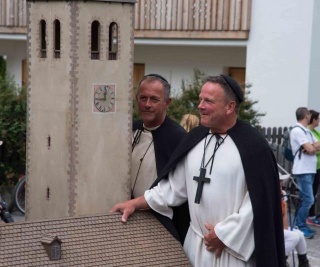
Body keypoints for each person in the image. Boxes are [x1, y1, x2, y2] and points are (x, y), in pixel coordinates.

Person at [112, 75, 285, 267]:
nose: (200, 106)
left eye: (208, 101)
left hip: (231, 251)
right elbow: (173, 188)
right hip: (194, 245)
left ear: (229, 107)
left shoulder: (254, 147)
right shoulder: (195, 139)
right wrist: (135, 203)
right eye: (200, 99)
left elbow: (259, 204)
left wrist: (224, 235)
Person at [131, 73, 188, 242]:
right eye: (143, 98)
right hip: (128, 216)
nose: (147, 104)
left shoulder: (178, 138)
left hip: (159, 222)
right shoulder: (129, 129)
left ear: (167, 103)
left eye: (154, 99)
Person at [290, 107, 320, 238]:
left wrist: (312, 148)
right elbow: (310, 148)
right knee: (308, 199)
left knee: (306, 198)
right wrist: (311, 148)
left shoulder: (307, 131)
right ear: (306, 116)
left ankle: (301, 224)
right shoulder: (297, 130)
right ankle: (299, 225)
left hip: (309, 169)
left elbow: (315, 148)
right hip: (303, 170)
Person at [281, 186, 310, 267]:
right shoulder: (270, 195)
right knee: (293, 236)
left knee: (299, 234)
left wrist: (285, 229)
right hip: (269, 229)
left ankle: (303, 263)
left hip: (278, 228)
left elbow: (284, 216)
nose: (281, 184)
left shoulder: (283, 194)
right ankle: (280, 261)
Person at [307, 110, 320, 227]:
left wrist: (315, 147)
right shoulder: (307, 132)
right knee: (311, 193)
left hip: (318, 166)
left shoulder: (315, 132)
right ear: (313, 119)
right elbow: (310, 149)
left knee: (314, 192)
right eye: (318, 119)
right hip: (312, 168)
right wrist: (315, 147)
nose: (319, 121)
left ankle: (313, 216)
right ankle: (309, 216)